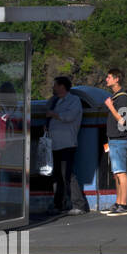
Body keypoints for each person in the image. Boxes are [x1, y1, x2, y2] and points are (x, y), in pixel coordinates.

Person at [47, 76, 88, 215]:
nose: (53, 88)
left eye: (55, 85)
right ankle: (59, 203)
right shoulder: (55, 101)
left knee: (68, 174)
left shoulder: (74, 101)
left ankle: (79, 204)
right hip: (54, 144)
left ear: (62, 87)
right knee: (57, 175)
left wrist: (54, 114)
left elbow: (70, 116)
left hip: (67, 143)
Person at [102, 68, 127, 215]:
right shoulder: (115, 97)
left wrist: (110, 106)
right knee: (116, 173)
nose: (106, 79)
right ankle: (118, 202)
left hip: (120, 140)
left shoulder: (122, 98)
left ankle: (124, 204)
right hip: (114, 140)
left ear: (117, 79)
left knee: (121, 172)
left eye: (109, 77)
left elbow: (124, 122)